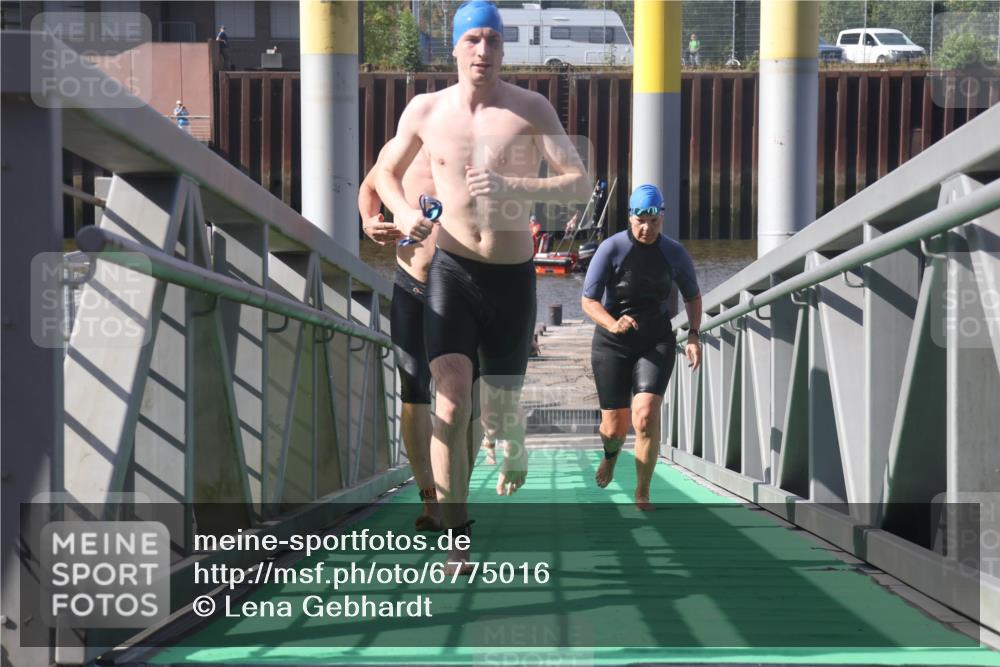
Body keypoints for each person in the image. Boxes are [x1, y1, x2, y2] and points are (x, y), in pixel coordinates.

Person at [376, 0, 588, 569]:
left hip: (512, 277)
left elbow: (577, 184)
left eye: (493, 41)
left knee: (498, 408)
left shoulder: (530, 108)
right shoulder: (426, 111)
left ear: (504, 48)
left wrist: (510, 181)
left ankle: (510, 442)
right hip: (450, 269)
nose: (484, 51)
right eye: (473, 40)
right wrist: (400, 214)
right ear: (454, 48)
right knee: (450, 396)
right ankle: (455, 534)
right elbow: (386, 174)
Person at [359, 141, 500, 530]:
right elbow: (370, 186)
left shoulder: (475, 147)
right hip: (413, 286)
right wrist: (369, 222)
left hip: (465, 291)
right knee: (414, 392)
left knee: (463, 400)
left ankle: (457, 495)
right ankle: (429, 498)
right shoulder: (403, 151)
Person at [581, 184, 703, 511]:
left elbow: (692, 296)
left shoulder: (674, 252)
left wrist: (693, 334)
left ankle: (642, 492)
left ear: (662, 218)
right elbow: (588, 300)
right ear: (630, 218)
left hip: (655, 339)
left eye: (654, 221)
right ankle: (610, 455)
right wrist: (612, 323)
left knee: (646, 415)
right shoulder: (611, 249)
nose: (647, 228)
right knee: (613, 428)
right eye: (640, 221)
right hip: (612, 342)